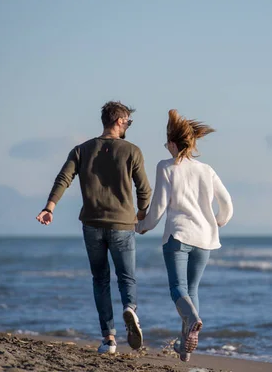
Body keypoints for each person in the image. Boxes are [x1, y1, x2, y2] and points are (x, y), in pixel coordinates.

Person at [36, 101, 152, 354]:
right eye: (128, 122)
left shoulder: (82, 150)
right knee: (126, 277)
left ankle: (109, 339)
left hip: (92, 225)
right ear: (120, 121)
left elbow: (63, 178)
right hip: (122, 223)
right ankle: (130, 309)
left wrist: (49, 207)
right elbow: (144, 189)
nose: (128, 127)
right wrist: (141, 214)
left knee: (100, 279)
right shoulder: (132, 151)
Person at [136, 109, 233, 362]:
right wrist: (218, 222)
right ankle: (184, 347)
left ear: (172, 142)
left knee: (178, 290)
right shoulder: (206, 169)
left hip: (178, 237)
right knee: (192, 290)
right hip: (205, 238)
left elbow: (157, 209)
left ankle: (191, 321)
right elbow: (227, 204)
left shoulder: (166, 167)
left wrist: (141, 227)